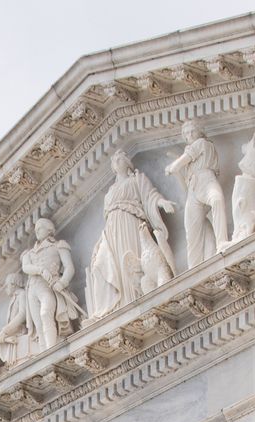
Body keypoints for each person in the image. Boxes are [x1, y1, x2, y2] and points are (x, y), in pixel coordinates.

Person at [88, 150, 177, 315]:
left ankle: (137, 296)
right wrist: (100, 241)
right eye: (114, 160)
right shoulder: (110, 191)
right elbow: (106, 220)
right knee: (107, 262)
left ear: (127, 162)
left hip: (131, 222)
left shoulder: (137, 179)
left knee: (131, 254)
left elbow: (150, 195)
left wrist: (162, 202)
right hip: (112, 230)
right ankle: (123, 302)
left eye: (120, 158)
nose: (116, 161)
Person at [165, 121, 229, 267]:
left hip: (206, 180)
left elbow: (182, 161)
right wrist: (176, 171)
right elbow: (185, 184)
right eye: (186, 133)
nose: (190, 135)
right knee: (192, 231)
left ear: (200, 131)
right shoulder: (190, 159)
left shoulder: (202, 143)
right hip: (193, 190)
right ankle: (194, 268)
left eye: (192, 131)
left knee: (217, 200)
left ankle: (222, 242)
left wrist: (173, 166)